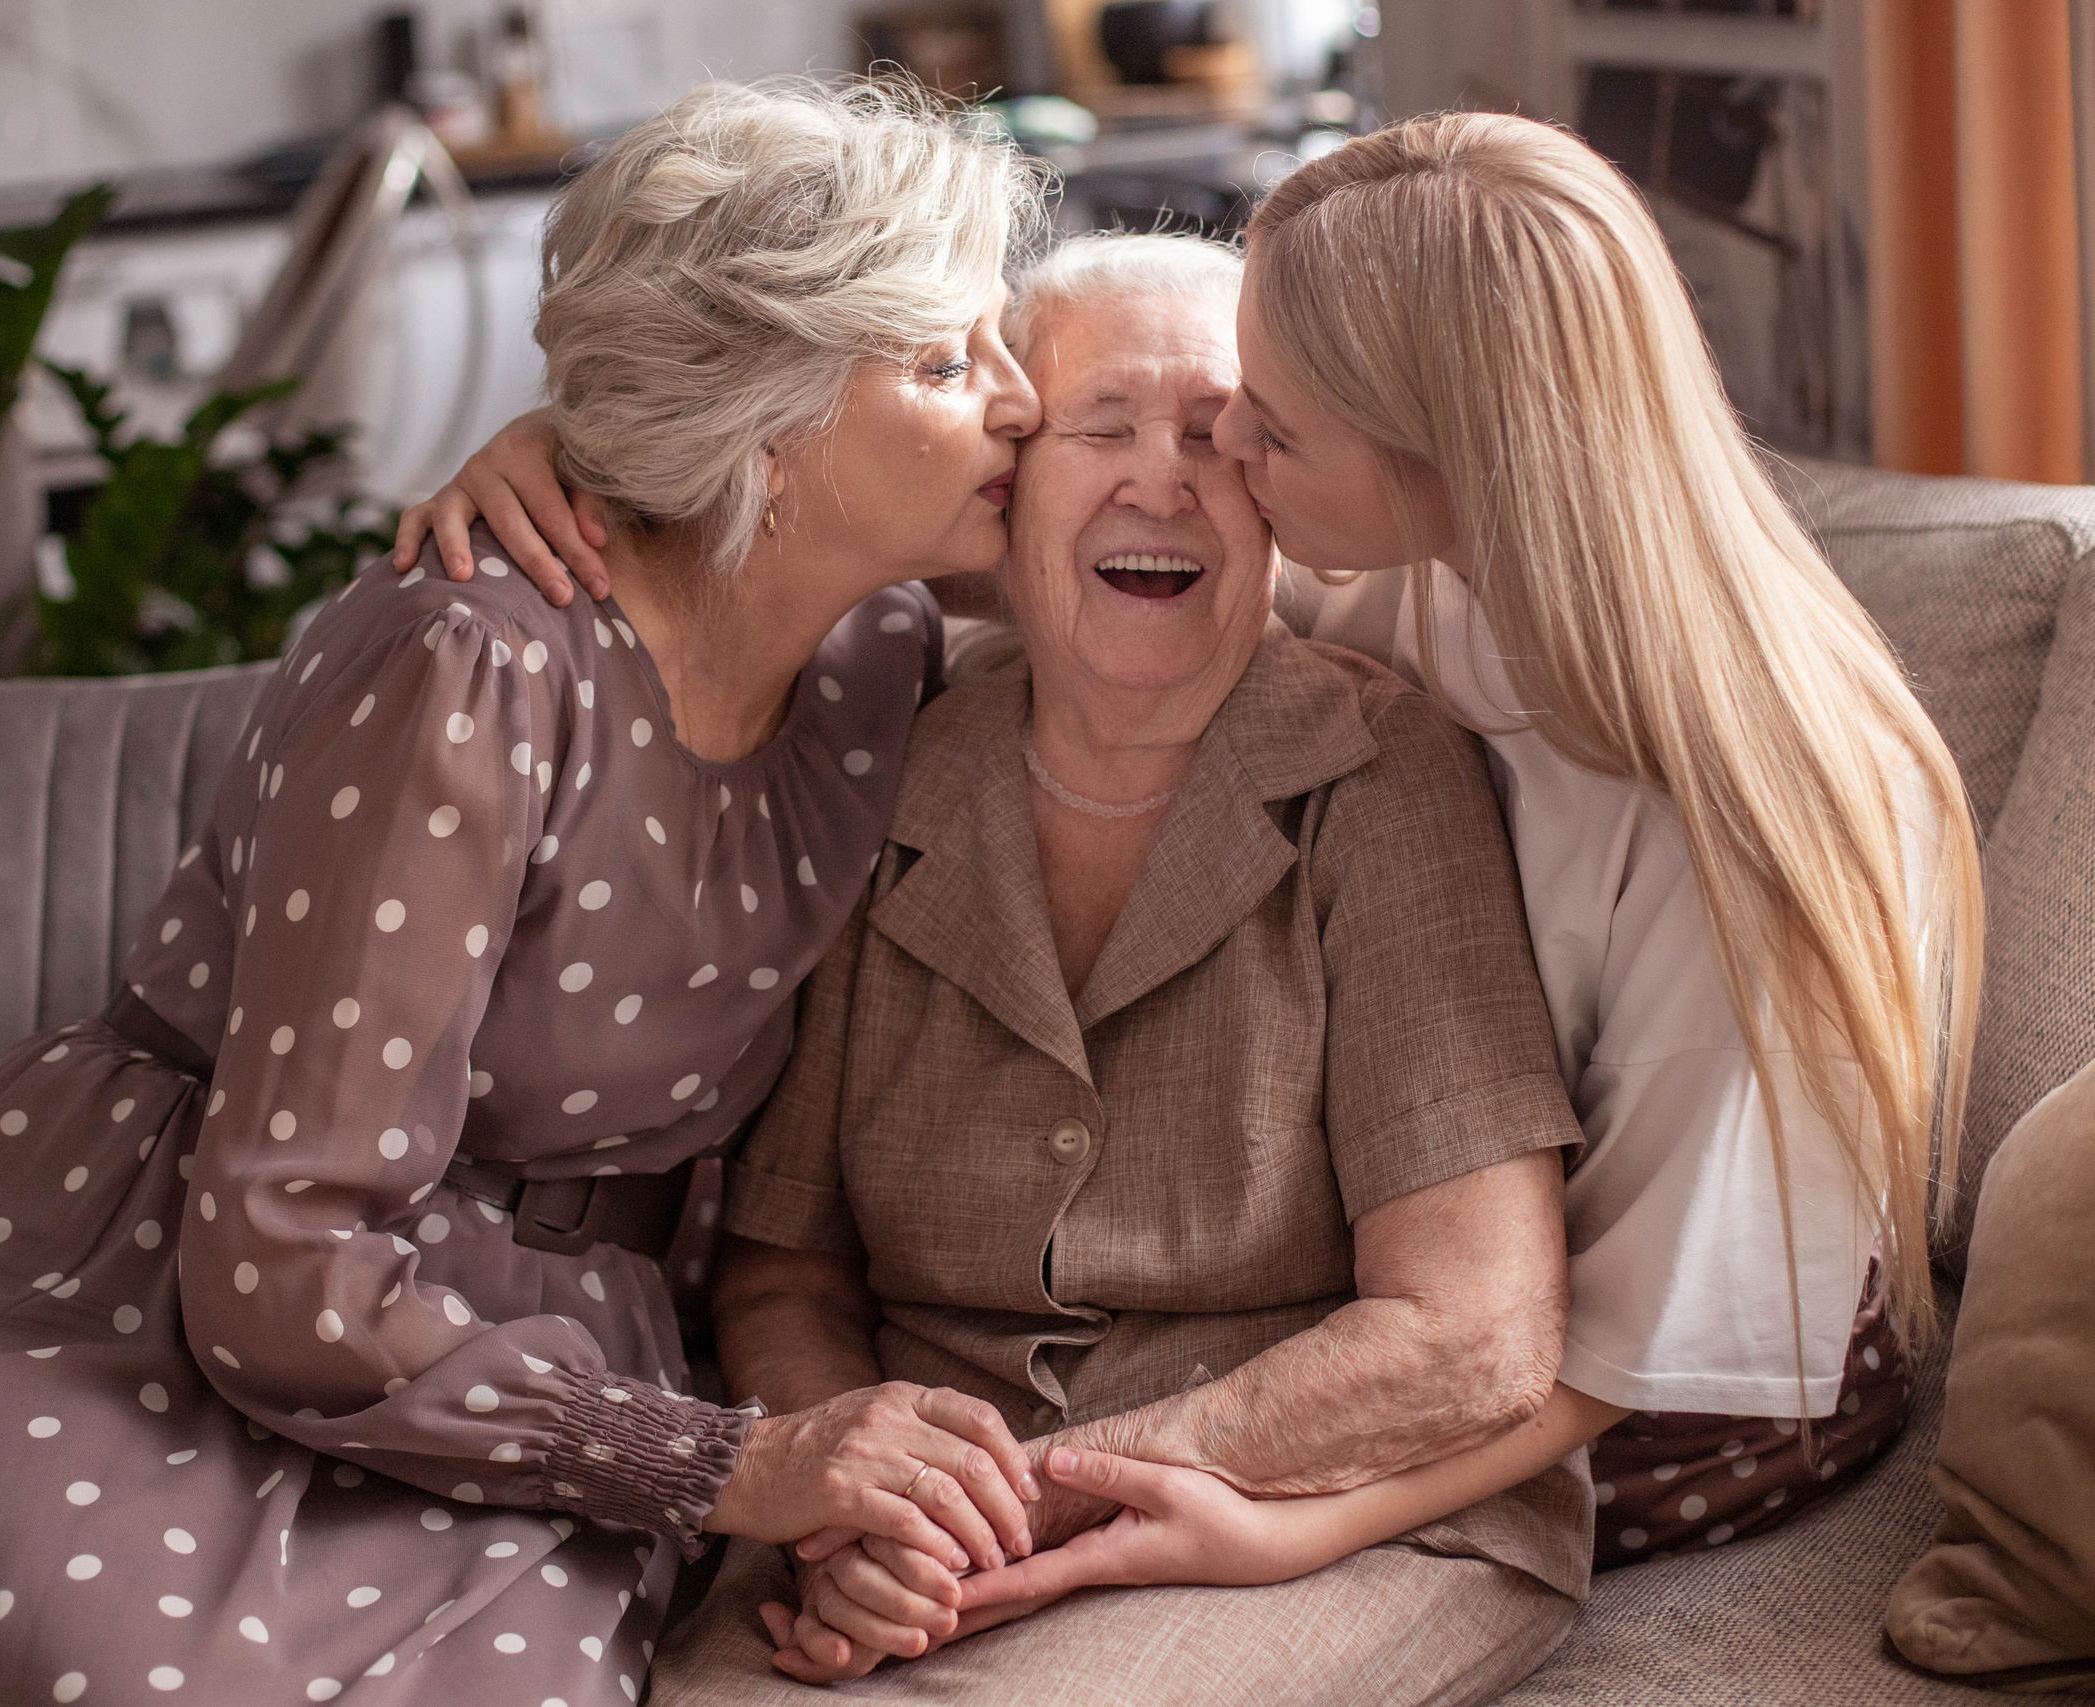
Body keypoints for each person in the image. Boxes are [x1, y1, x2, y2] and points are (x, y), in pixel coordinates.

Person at [407, 109, 1982, 1687]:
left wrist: (1246, 1526)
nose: (1208, 465)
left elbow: (1562, 1356)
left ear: (1436, 440)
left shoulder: (1749, 814)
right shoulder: (1390, 561)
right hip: (1295, 1386)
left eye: (1260, 428)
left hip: (1668, 1400)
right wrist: (609, 473)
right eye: (1152, 430)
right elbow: (934, 504)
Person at [0, 77, 1063, 1707]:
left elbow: (1196, 510)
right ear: (762, 417)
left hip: (527, 1358)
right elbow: (278, 1249)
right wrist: (726, 1467)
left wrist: (575, 430)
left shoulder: (883, 652)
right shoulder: (468, 667)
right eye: (943, 360)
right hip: (147, 1310)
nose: (1025, 402)